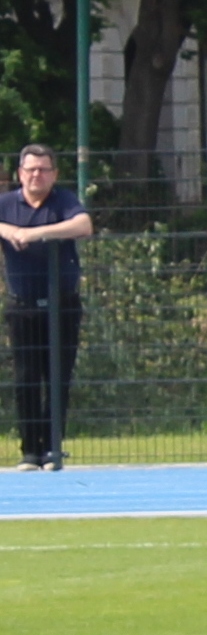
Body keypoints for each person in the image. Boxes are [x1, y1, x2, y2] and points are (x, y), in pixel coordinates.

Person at [1, 144, 93, 471]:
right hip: (22, 306)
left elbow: (83, 226)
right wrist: (9, 230)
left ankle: (52, 448)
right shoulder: (7, 204)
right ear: (19, 174)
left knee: (57, 377)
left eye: (43, 169)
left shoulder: (64, 201)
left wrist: (36, 233)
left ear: (54, 174)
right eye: (30, 169)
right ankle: (29, 451)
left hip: (62, 305)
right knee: (26, 378)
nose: (36, 175)